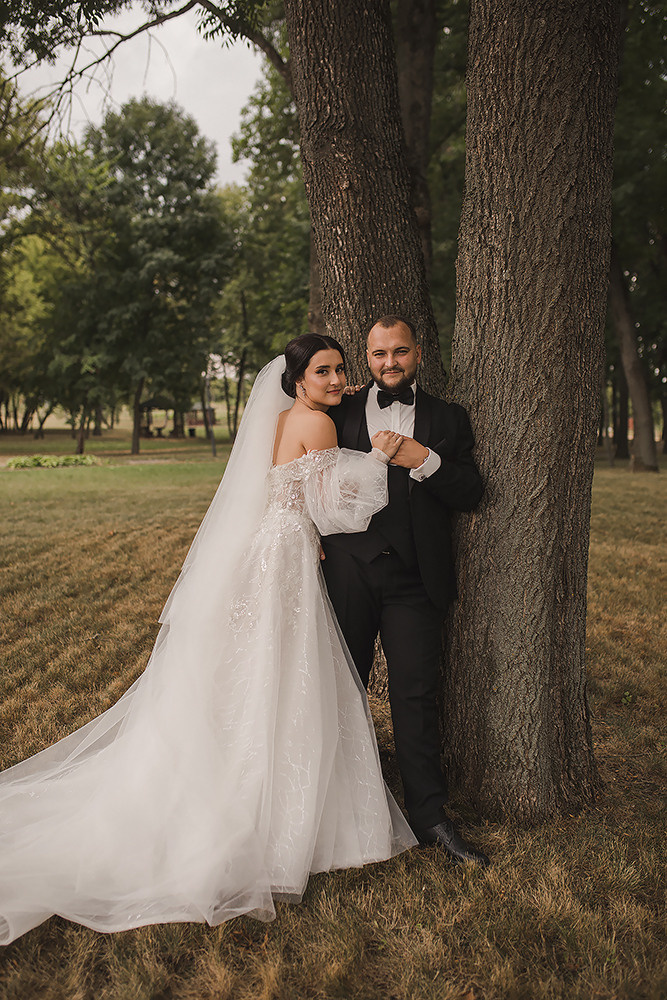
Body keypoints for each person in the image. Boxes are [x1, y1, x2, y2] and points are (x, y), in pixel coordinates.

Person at [0, 334, 418, 947]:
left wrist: (331, 398)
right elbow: (333, 511)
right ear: (297, 379)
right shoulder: (321, 427)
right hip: (293, 551)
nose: (336, 381)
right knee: (288, 667)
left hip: (266, 546)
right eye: (323, 372)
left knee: (258, 666)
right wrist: (379, 460)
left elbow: (291, 473)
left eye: (340, 371)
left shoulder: (283, 417)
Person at [322, 315, 490, 866]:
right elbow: (299, 475)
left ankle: (430, 816)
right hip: (348, 570)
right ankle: (336, 810)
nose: (389, 363)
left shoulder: (448, 417)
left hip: (416, 580)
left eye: (399, 352)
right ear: (365, 359)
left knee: (416, 698)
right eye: (377, 354)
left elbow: (471, 491)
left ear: (418, 353)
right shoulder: (338, 410)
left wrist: (426, 460)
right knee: (341, 687)